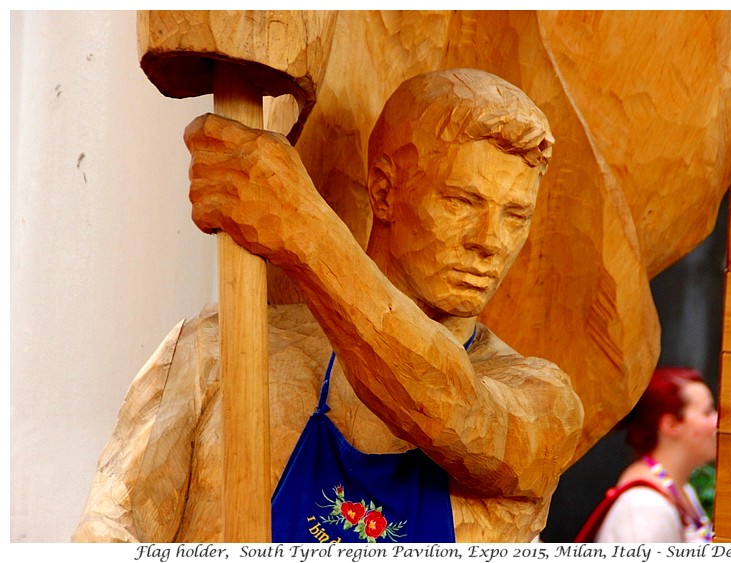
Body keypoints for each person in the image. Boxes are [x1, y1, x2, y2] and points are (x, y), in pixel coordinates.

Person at [73, 68, 584, 543]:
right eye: (460, 202)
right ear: (384, 193)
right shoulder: (218, 352)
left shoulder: (542, 403)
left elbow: (453, 411)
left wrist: (304, 231)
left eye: (516, 216)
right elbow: (107, 533)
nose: (490, 241)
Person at [576, 366, 716, 543]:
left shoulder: (683, 490)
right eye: (707, 412)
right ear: (671, 425)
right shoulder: (644, 507)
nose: (717, 421)